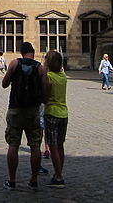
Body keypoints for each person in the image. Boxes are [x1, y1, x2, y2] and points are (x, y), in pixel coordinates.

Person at [1, 41, 49, 191]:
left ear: (21, 52)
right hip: (32, 111)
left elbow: (4, 83)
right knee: (35, 145)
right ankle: (34, 180)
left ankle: (12, 180)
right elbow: (46, 93)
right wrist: (40, 101)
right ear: (33, 52)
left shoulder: (15, 64)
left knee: (13, 144)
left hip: (15, 108)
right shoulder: (40, 68)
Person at [43, 50, 67, 188]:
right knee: (60, 146)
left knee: (52, 146)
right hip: (64, 113)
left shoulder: (49, 77)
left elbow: (45, 96)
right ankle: (59, 173)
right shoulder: (63, 76)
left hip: (52, 113)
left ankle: (58, 177)